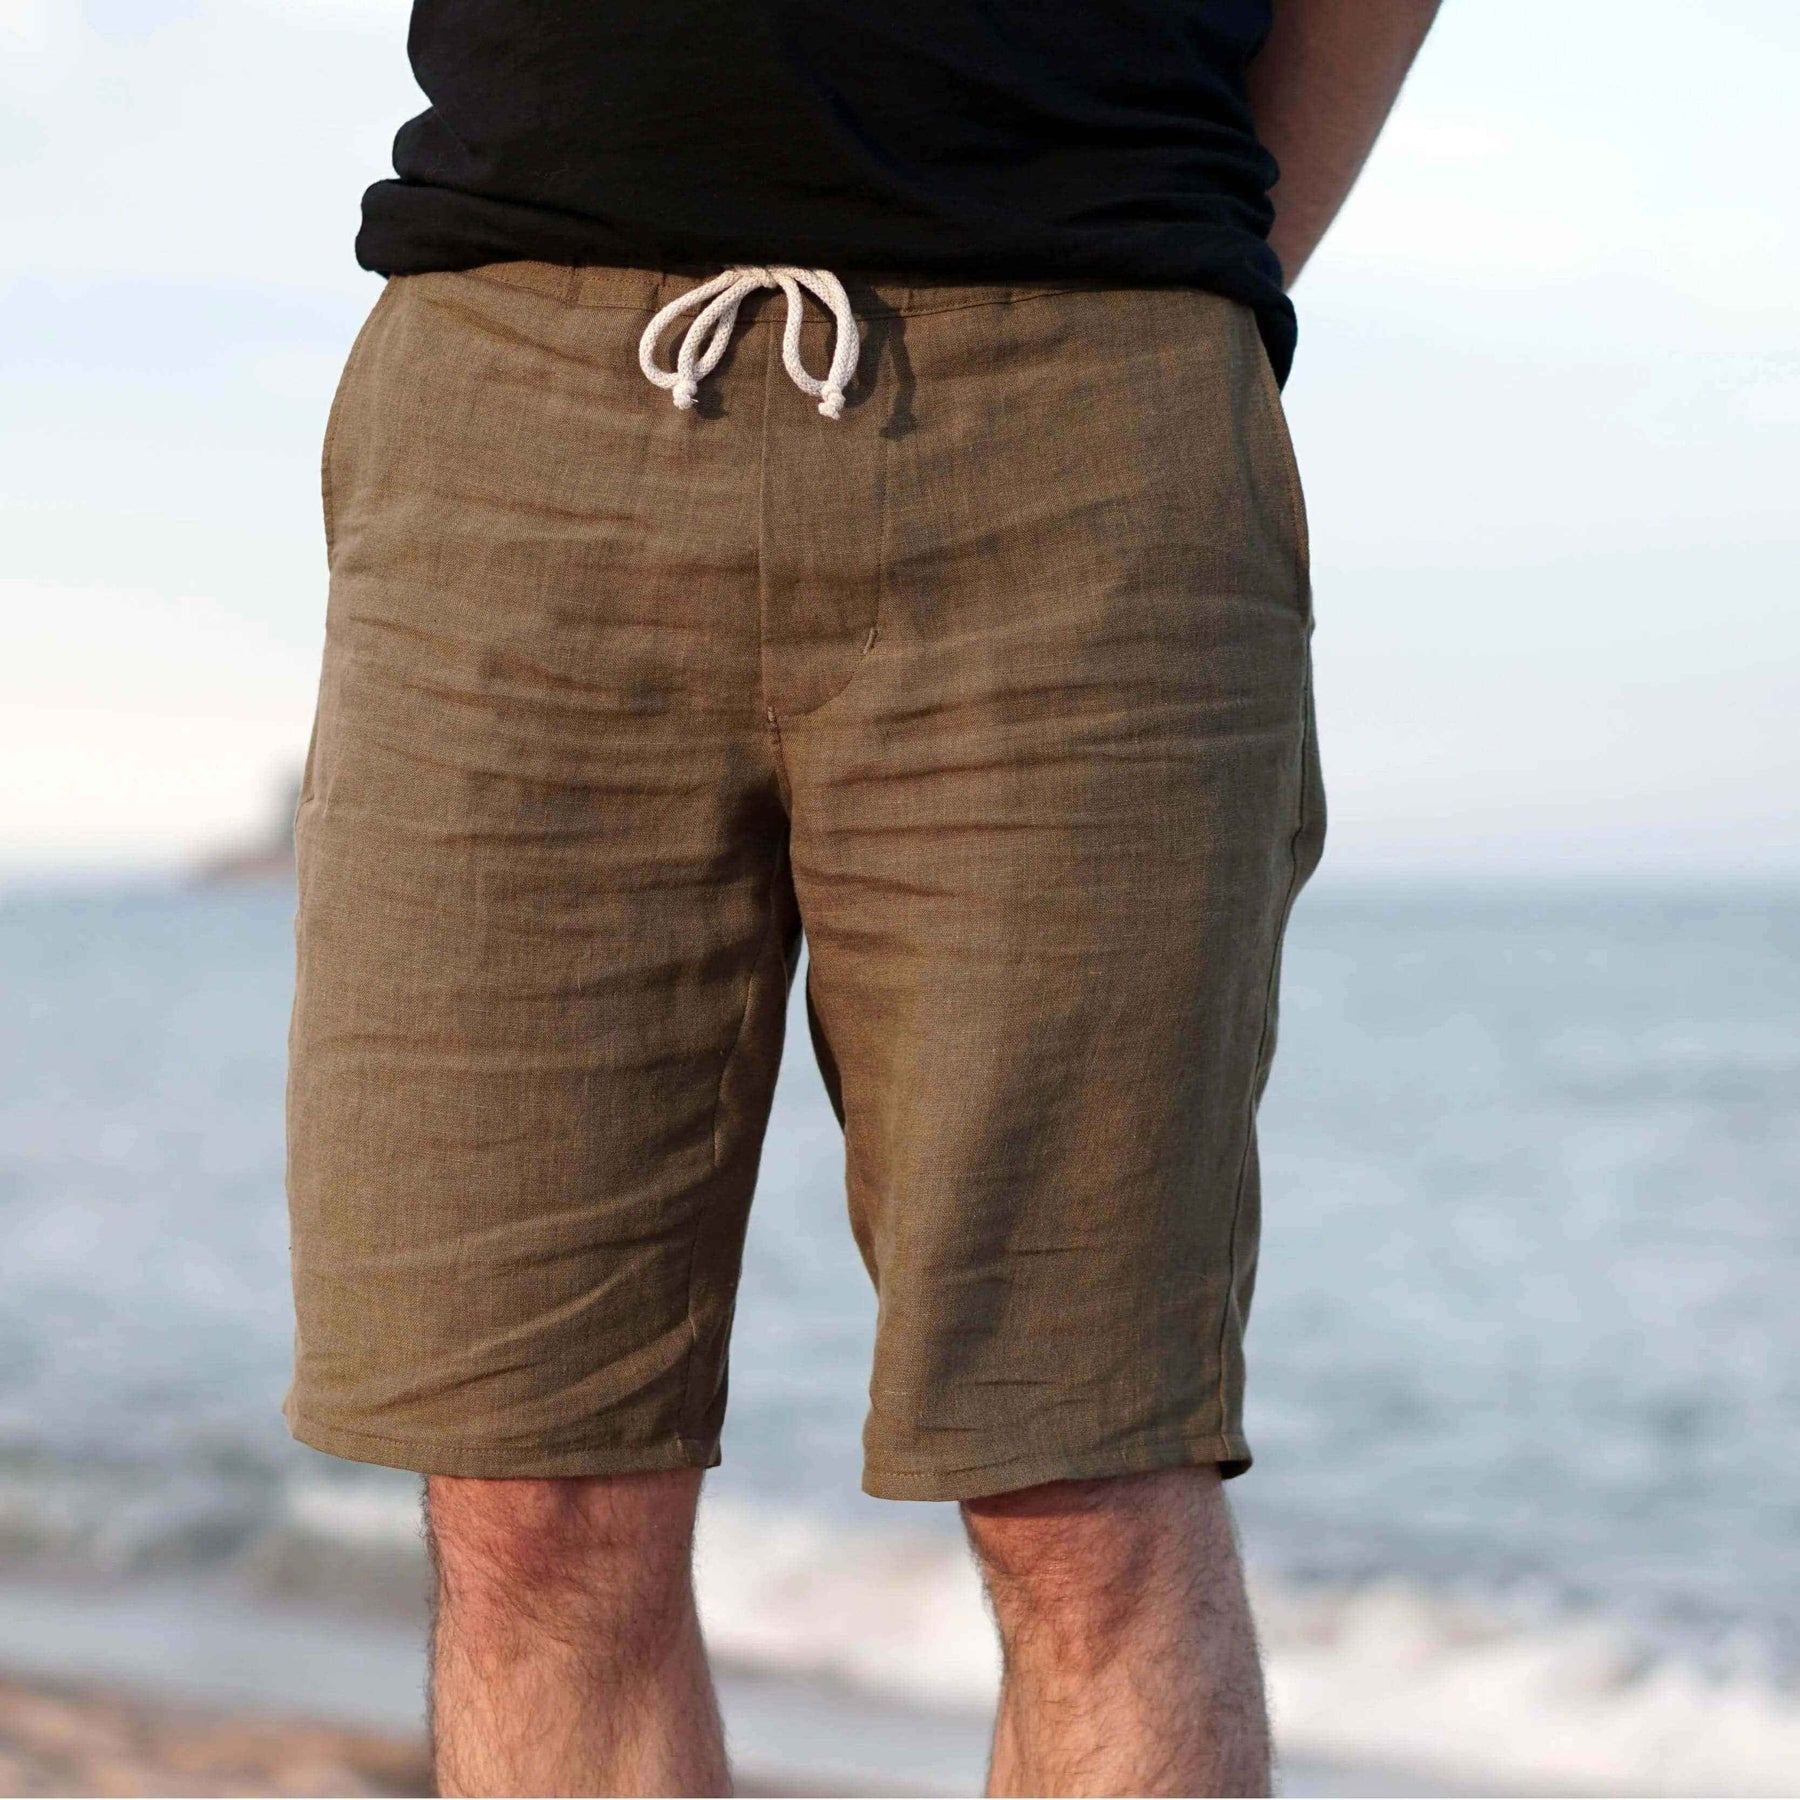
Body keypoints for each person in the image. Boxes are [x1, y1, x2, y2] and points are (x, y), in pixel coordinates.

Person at [284, 1, 1439, 1791]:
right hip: (516, 395)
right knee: (529, 1498)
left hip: (1087, 402)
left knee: (1086, 1482)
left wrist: (1166, 244)